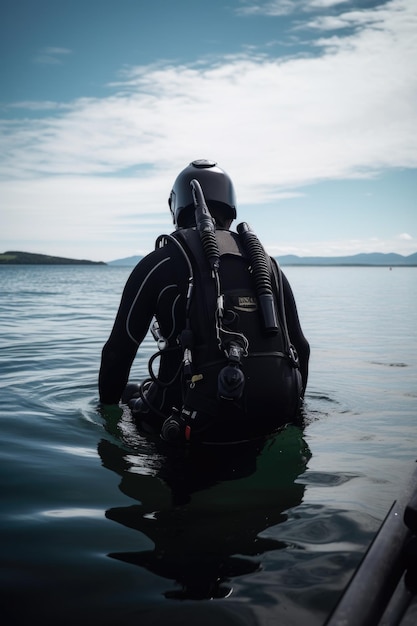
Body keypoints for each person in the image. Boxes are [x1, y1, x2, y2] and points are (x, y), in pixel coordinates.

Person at [99, 159, 309, 444]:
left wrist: (105, 416)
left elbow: (117, 352)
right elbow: (302, 349)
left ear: (177, 205)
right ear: (230, 208)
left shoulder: (160, 264)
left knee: (130, 393)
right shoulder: (266, 266)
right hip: (273, 419)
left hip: (191, 423)